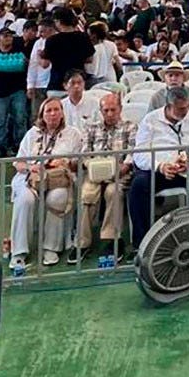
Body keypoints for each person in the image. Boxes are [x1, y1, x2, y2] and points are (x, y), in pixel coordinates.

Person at [128, 86, 189, 251]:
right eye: (180, 109)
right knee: (138, 186)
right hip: (160, 171)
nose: (185, 112)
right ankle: (143, 245)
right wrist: (160, 166)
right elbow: (139, 154)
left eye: (186, 107)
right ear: (168, 106)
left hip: (186, 169)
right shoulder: (150, 120)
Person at [9, 97, 83, 269]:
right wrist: (30, 167)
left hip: (59, 179)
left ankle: (51, 247)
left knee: (57, 198)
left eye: (57, 109)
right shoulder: (32, 134)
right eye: (48, 110)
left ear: (62, 113)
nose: (53, 114)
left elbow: (79, 162)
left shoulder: (73, 133)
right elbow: (18, 162)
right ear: (42, 115)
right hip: (31, 178)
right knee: (25, 200)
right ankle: (19, 251)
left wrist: (65, 163)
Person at [75, 93, 131, 262]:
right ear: (101, 111)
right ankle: (82, 242)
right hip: (94, 173)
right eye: (106, 110)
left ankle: (111, 239)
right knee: (87, 194)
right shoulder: (91, 128)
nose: (110, 113)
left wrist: (124, 167)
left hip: (120, 173)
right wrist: (92, 167)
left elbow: (133, 153)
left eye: (113, 110)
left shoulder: (130, 127)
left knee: (114, 192)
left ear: (120, 109)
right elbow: (85, 154)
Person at [0, 28, 28, 156]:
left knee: (20, 119)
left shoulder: (20, 51)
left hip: (18, 90)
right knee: (0, 121)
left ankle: (19, 145)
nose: (8, 38)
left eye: (10, 36)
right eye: (5, 36)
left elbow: (27, 67)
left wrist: (25, 62)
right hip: (1, 93)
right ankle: (2, 147)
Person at [41, 7, 93, 96]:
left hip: (57, 84)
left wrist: (40, 56)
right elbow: (90, 59)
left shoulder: (52, 40)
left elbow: (45, 64)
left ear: (59, 21)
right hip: (77, 83)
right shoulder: (83, 37)